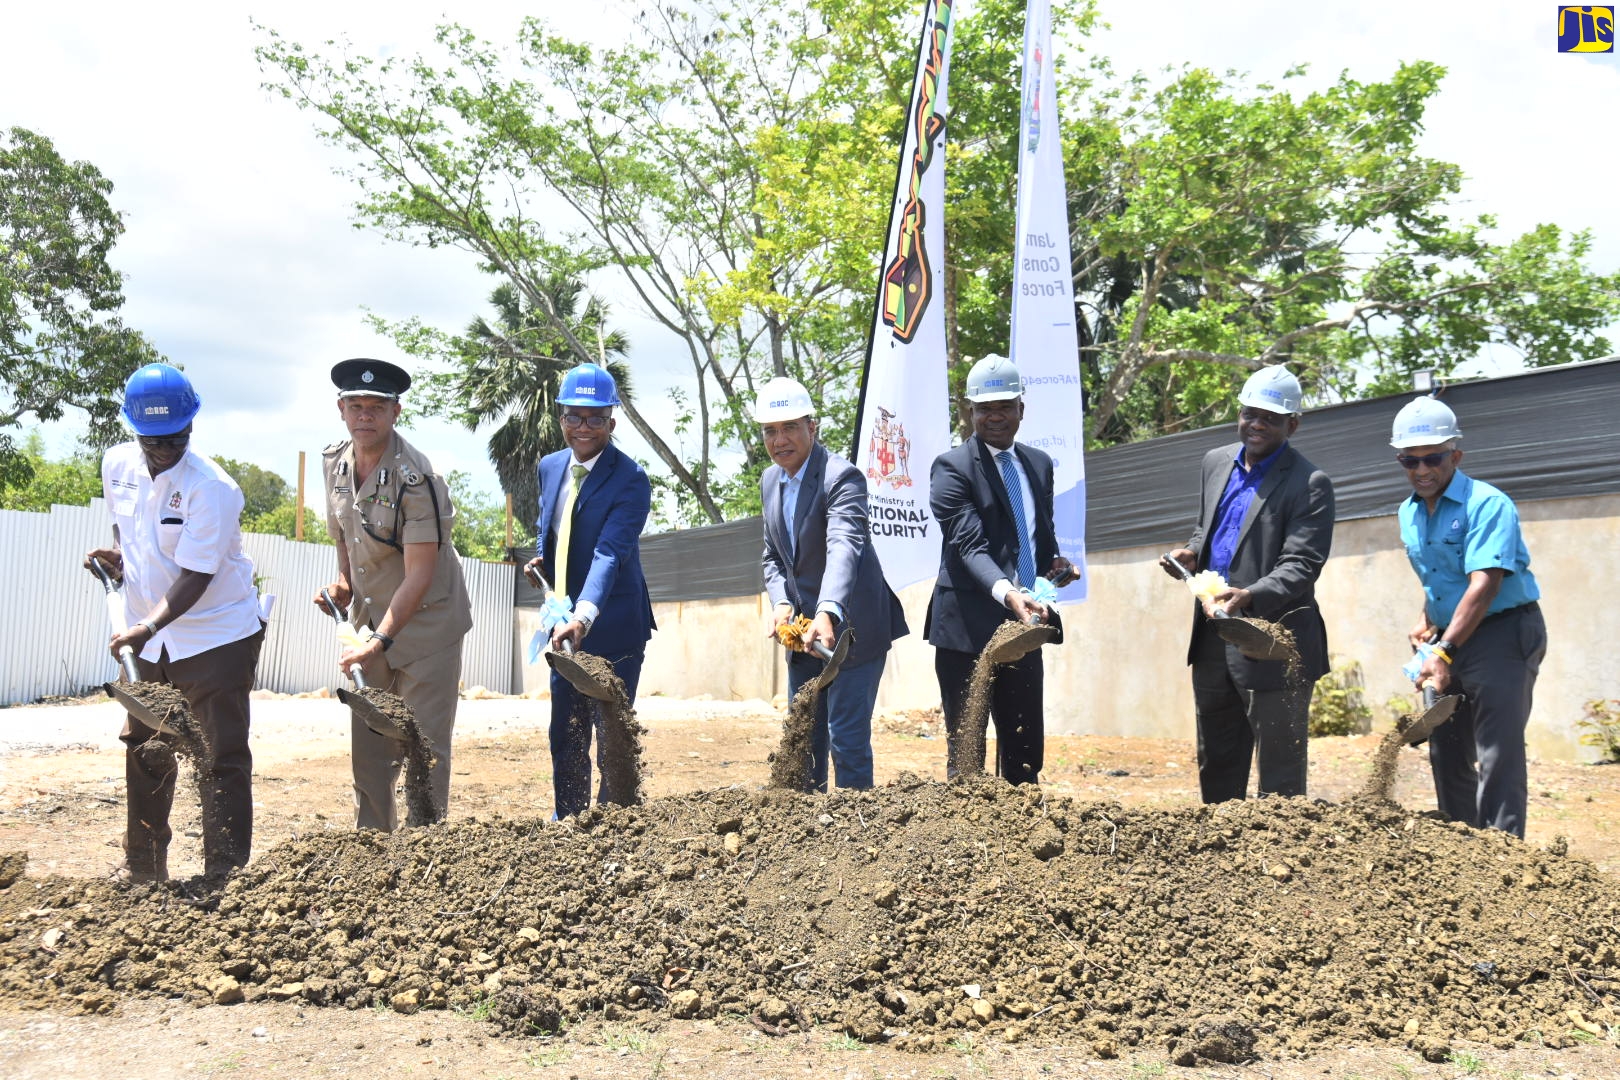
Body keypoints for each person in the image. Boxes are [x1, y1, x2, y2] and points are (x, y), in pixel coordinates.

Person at [86, 363, 265, 883]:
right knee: (145, 747)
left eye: (176, 438)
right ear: (135, 431)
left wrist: (145, 628)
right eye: (154, 440)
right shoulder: (116, 463)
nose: (166, 449)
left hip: (215, 634)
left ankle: (224, 875)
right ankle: (144, 870)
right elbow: (131, 531)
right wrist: (118, 557)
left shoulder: (213, 488)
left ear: (192, 425)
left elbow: (196, 575)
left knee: (220, 752)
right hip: (144, 631)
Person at [1160, 366, 1334, 804]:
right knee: (1217, 760)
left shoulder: (1310, 483)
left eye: (1270, 418)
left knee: (1279, 775)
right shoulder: (1215, 462)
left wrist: (1250, 596)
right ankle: (1220, 859)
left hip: (1272, 641)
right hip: (1213, 637)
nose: (1256, 424)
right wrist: (1190, 552)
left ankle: (1279, 863)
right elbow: (1209, 530)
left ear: (1292, 424)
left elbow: (1301, 564)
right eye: (1249, 414)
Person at [316, 358, 471, 831]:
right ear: (341, 409)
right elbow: (344, 534)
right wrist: (343, 582)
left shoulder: (416, 478)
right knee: (370, 750)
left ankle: (425, 857)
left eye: (376, 407)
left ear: (395, 413)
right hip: (370, 624)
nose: (366, 415)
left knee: (424, 751)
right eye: (356, 406)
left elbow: (420, 574)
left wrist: (379, 641)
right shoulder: (334, 463)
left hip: (427, 626)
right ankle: (373, 854)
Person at [1391, 396, 1545, 838]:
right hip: (1450, 637)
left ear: (1455, 456)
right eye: (1409, 460)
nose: (1421, 470)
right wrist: (1427, 619)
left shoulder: (1487, 504)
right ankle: (1463, 852)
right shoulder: (1409, 511)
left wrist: (1443, 650)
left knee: (1497, 751)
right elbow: (1440, 578)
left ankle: (1503, 857)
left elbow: (1485, 584)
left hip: (1503, 633)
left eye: (1432, 459)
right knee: (1447, 745)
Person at [925, 354, 1075, 784]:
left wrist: (1054, 565)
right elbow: (969, 545)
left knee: (1025, 751)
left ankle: (1024, 839)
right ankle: (967, 847)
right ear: (969, 412)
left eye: (1004, 406)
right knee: (967, 751)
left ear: (1021, 410)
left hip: (1025, 626)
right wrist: (1009, 593)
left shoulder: (1039, 464)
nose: (994, 417)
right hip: (966, 628)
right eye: (984, 408)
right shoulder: (951, 468)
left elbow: (1033, 537)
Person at [755, 376, 909, 791]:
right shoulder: (770, 481)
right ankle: (806, 836)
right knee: (803, 738)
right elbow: (773, 556)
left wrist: (827, 612)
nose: (779, 439)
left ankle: (857, 841)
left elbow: (845, 546)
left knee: (846, 739)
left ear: (812, 427)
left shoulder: (842, 478)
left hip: (853, 629)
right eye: (770, 430)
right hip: (804, 634)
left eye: (790, 427)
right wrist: (782, 603)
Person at [524, 362, 655, 819]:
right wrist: (543, 560)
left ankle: (615, 828)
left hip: (614, 626)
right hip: (563, 628)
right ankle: (571, 827)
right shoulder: (549, 467)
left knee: (612, 738)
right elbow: (553, 526)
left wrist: (584, 615)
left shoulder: (631, 480)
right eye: (574, 417)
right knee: (566, 734)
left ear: (611, 422)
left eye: (595, 418)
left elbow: (609, 553)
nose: (583, 428)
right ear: (561, 417)